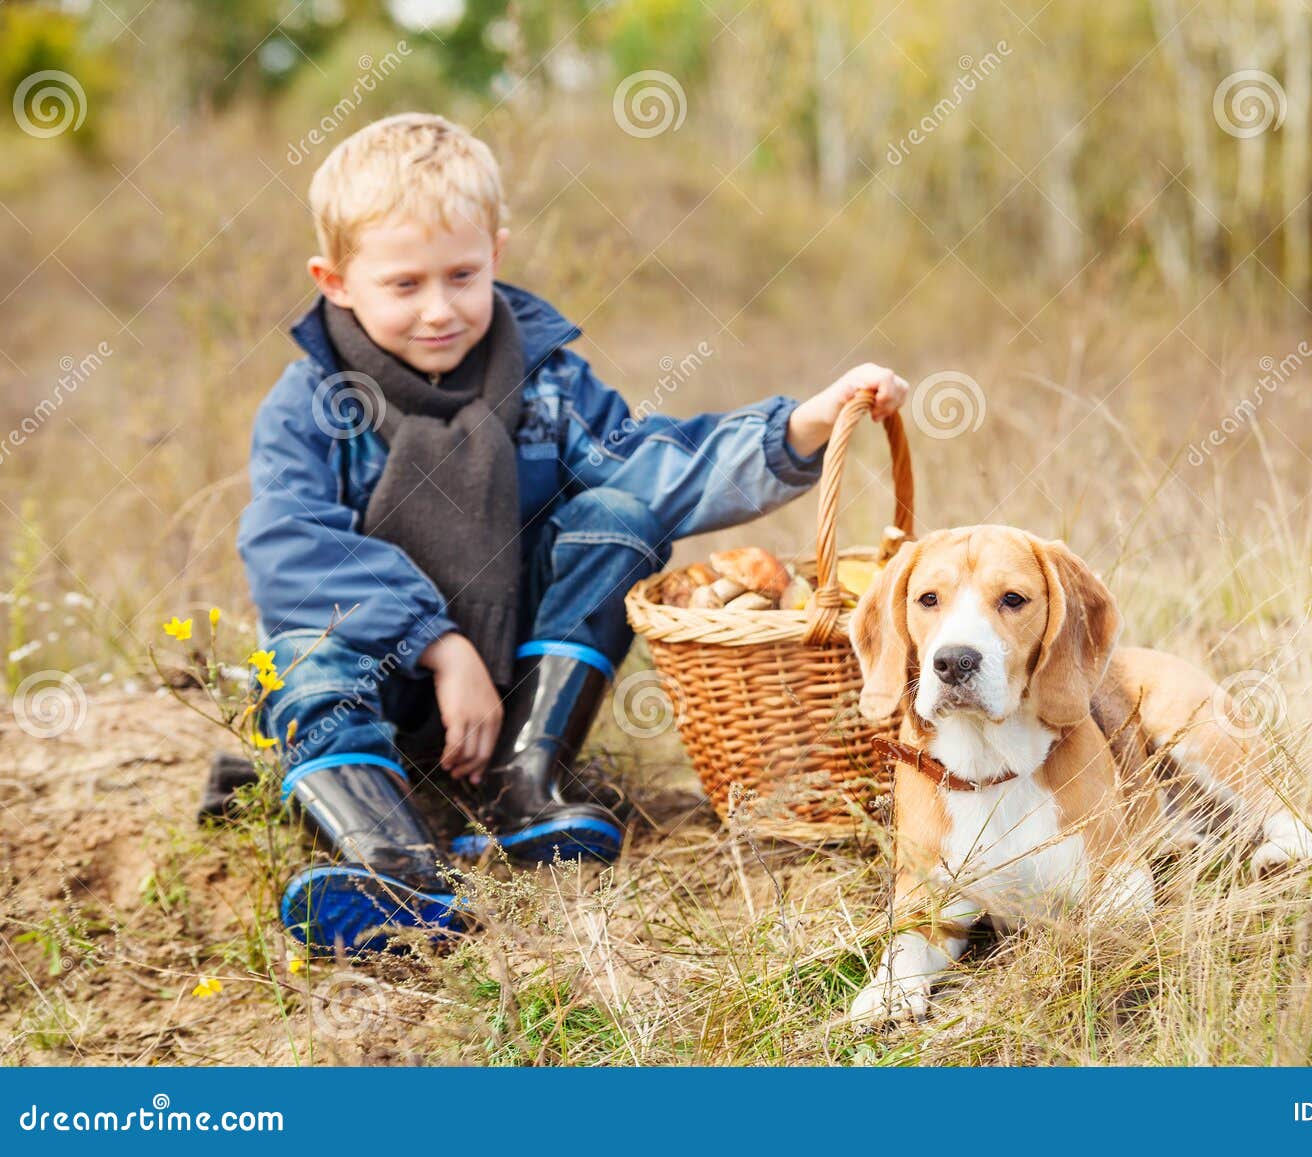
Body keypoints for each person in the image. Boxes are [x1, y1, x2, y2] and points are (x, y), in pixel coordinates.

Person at [234, 112, 909, 953]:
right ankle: (393, 866)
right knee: (307, 644)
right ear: (334, 281)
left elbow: (654, 467)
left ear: (498, 256)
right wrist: (438, 645)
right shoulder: (309, 406)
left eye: (463, 274)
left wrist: (804, 424)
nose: (439, 309)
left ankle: (526, 778)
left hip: (512, 677)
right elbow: (289, 545)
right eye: (404, 285)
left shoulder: (547, 384)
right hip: (379, 678)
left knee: (617, 518)